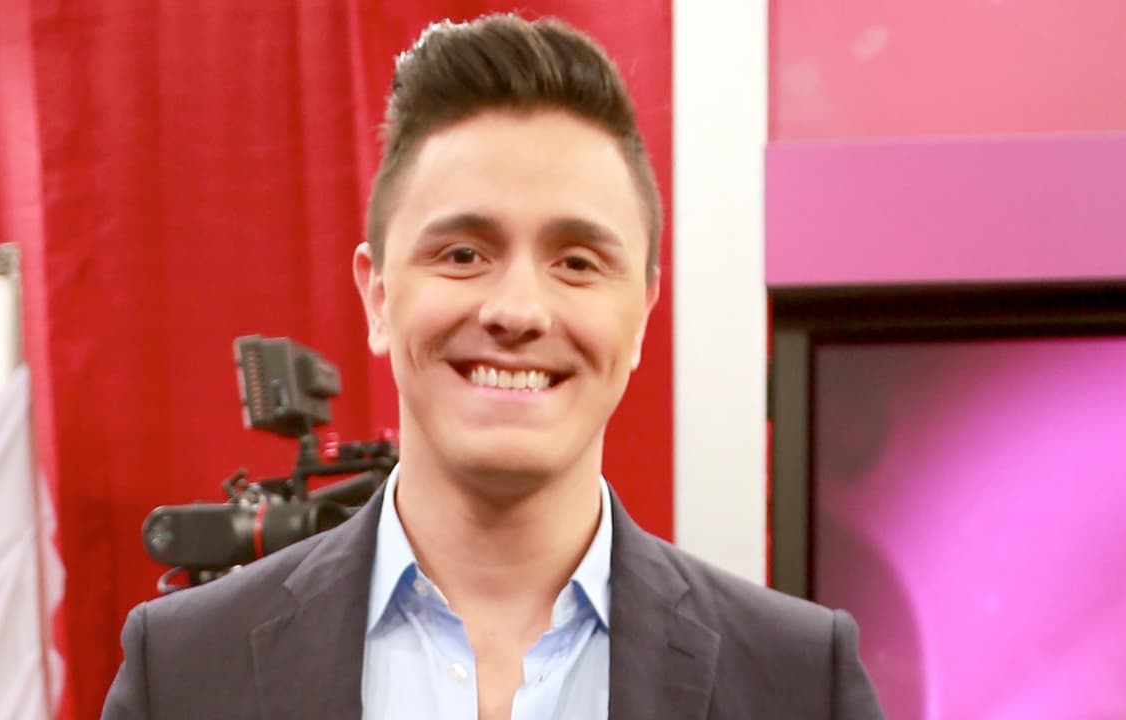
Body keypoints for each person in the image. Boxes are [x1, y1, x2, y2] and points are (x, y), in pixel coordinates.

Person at [102, 13, 884, 720]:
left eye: (576, 263)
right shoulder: (184, 672)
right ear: (379, 296)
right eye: (464, 254)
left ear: (643, 314)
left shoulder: (797, 682)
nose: (517, 310)